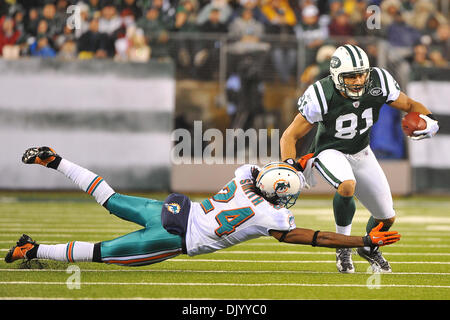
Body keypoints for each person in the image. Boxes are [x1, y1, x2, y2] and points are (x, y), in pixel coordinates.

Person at [5, 146, 401, 267]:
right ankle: (31, 249)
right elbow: (315, 237)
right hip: (176, 238)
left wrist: (292, 165)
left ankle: (56, 161)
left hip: (173, 211)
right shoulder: (272, 216)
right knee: (99, 253)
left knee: (109, 196)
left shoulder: (245, 175)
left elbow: (271, 171)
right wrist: (362, 239)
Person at [280, 44, 438, 273]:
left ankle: (369, 248)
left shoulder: (379, 81)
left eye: (361, 74)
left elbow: (411, 105)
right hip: (328, 150)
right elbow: (289, 135)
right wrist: (288, 167)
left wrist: (429, 119)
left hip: (362, 151)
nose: (357, 80)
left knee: (386, 217)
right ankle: (343, 247)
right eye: (350, 76)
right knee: (347, 186)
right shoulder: (321, 93)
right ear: (336, 76)